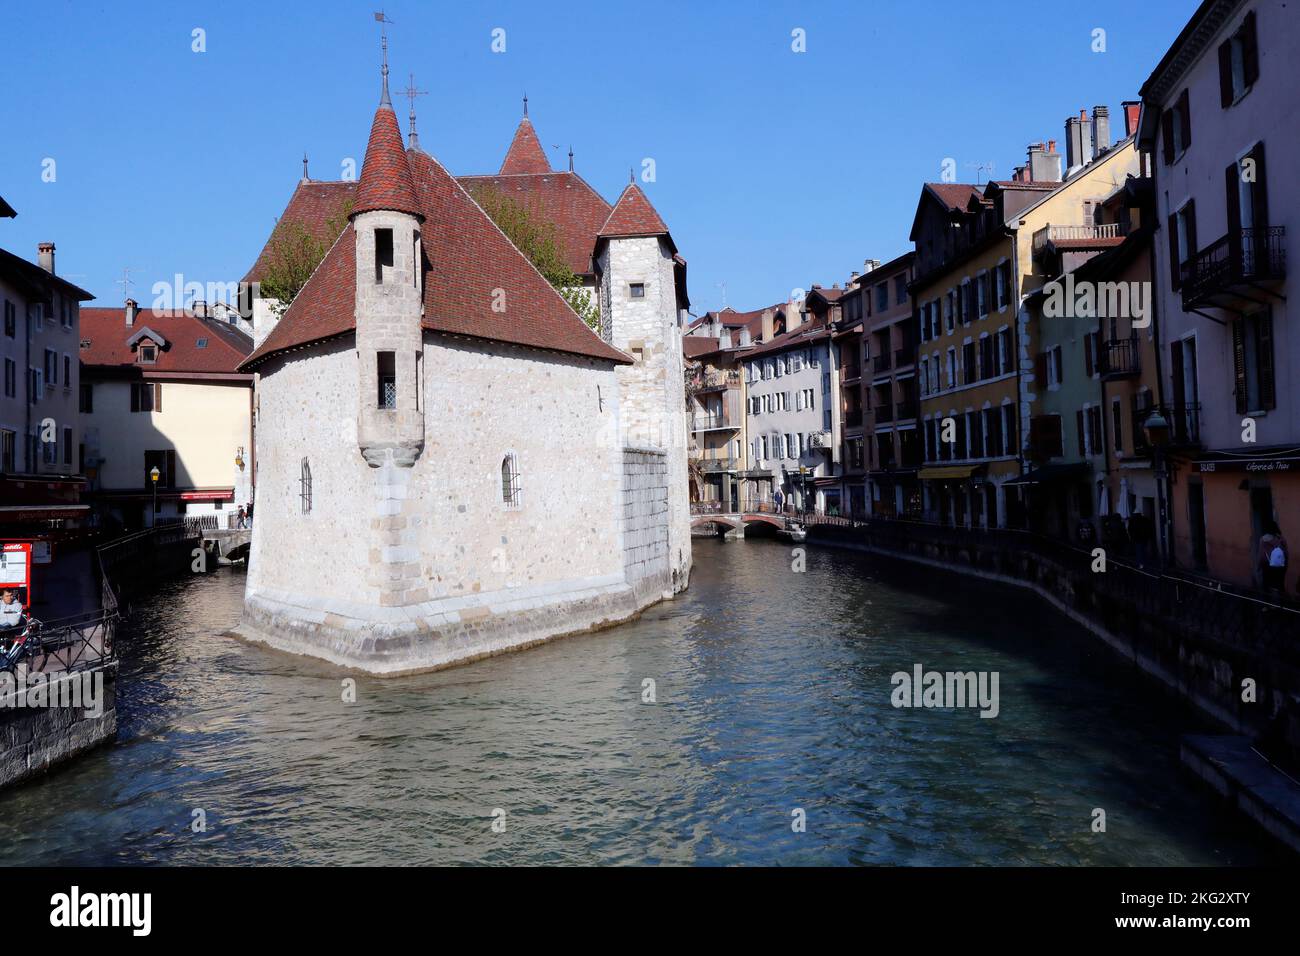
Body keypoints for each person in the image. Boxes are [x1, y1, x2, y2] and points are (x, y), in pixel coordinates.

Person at [1258, 521, 1288, 595]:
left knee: (1266, 586)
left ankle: (1268, 605)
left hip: (1267, 566)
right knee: (1280, 586)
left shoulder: (1263, 540)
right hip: (1281, 566)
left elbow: (1262, 555)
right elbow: (1286, 553)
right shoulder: (1281, 538)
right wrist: (1285, 565)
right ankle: (1282, 604)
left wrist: (1259, 566)